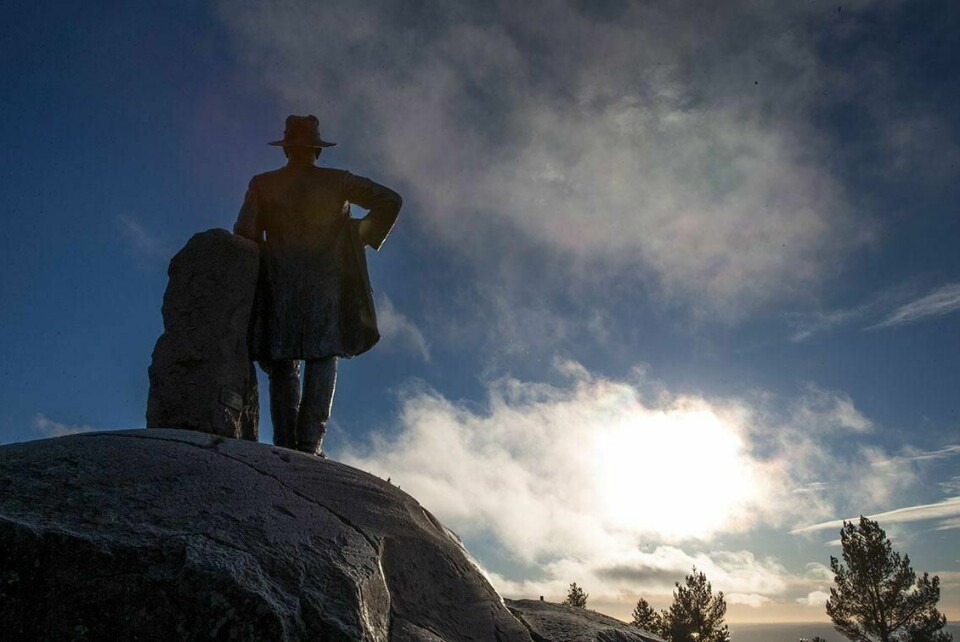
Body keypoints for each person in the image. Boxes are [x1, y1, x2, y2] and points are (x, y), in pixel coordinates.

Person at [234, 115, 402, 456]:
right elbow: (390, 201)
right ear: (316, 150)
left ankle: (285, 443)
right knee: (323, 354)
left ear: (286, 150)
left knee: (282, 360)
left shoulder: (263, 184)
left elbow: (246, 231)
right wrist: (357, 235)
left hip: (280, 282)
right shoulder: (338, 181)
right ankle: (310, 445)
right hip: (327, 282)